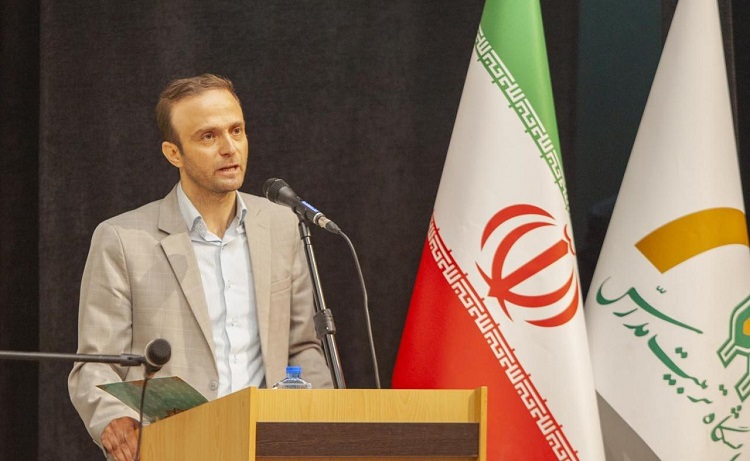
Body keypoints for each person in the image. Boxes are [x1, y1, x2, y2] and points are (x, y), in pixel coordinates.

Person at [68, 74, 332, 461]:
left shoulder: (281, 225)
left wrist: (326, 427)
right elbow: (95, 366)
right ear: (173, 153)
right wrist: (114, 418)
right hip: (174, 448)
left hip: (269, 447)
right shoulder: (123, 239)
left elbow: (302, 346)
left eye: (236, 130)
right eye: (208, 136)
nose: (229, 148)